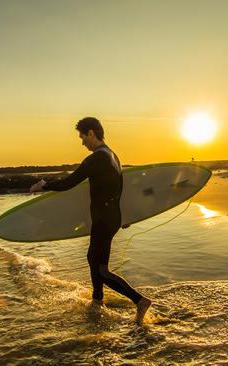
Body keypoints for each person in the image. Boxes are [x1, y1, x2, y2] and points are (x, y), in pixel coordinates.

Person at [30, 117, 152, 324]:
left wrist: (44, 185)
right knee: (92, 259)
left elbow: (69, 182)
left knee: (101, 269)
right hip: (110, 217)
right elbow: (119, 189)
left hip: (104, 219)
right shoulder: (113, 155)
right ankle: (97, 300)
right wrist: (125, 216)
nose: (82, 142)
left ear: (91, 134)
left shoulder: (97, 158)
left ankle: (139, 300)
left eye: (82, 137)